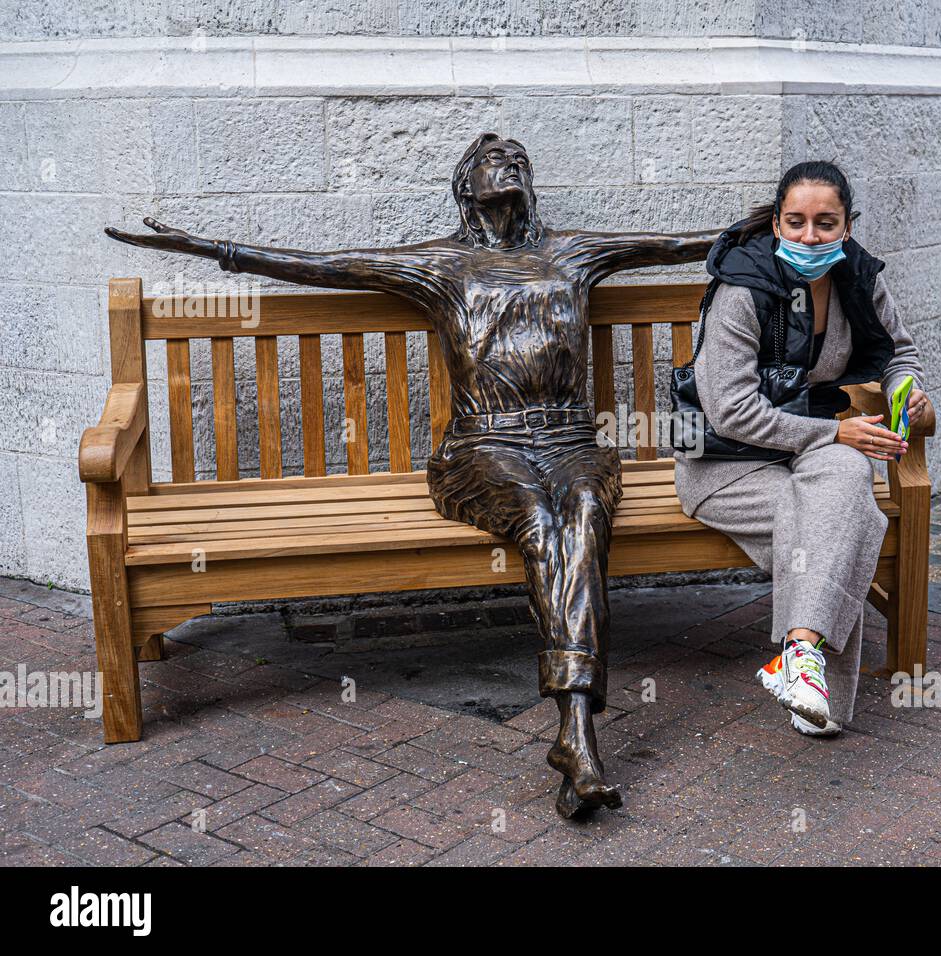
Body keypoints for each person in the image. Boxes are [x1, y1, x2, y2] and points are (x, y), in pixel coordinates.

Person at [106, 132, 725, 817]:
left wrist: (780, 220)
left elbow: (673, 246)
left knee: (582, 510)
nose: (509, 164)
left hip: (575, 443)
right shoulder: (441, 263)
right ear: (465, 187)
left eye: (519, 159)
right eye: (494, 160)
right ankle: (575, 733)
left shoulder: (573, 250)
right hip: (480, 452)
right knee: (544, 522)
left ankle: (575, 733)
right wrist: (211, 248)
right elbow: (330, 266)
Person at [674, 160, 931, 737]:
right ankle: (817, 693)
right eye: (795, 222)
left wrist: (905, 393)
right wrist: (837, 431)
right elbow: (731, 412)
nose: (810, 236)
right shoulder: (744, 288)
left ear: (847, 225)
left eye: (825, 222)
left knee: (840, 480)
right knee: (840, 516)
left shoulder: (858, 278)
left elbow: (900, 355)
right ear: (776, 222)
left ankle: (800, 658)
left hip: (808, 450)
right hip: (725, 464)